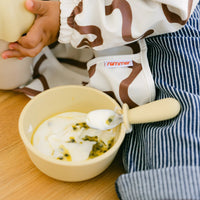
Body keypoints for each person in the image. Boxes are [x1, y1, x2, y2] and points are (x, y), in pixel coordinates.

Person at [2, 0, 200, 199]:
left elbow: (175, 6)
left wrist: (67, 17)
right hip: (63, 38)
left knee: (179, 140)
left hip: (157, 30)